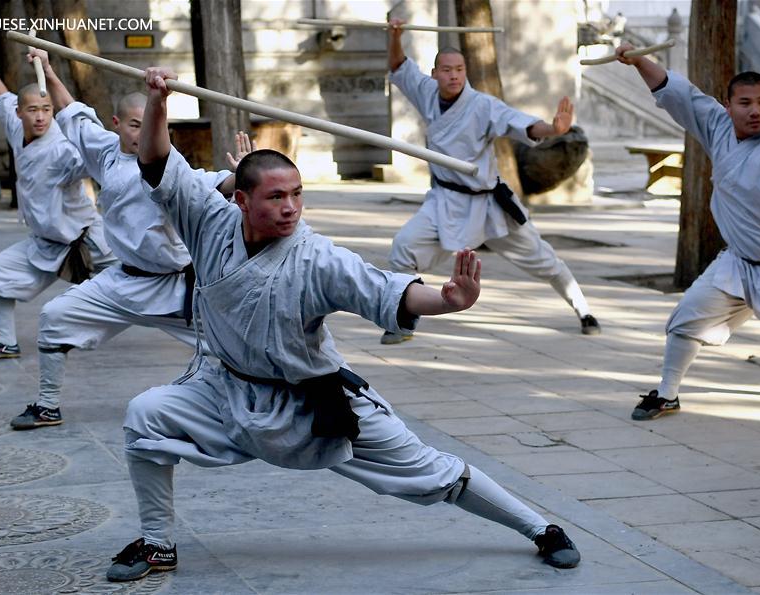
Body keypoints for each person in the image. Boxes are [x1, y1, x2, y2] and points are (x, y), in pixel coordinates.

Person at [104, 66, 581, 583]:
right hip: (225, 391)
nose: (290, 209)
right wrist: (158, 100)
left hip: (315, 400)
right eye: (275, 197)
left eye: (297, 194)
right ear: (240, 199)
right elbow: (155, 159)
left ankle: (541, 529)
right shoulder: (208, 220)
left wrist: (447, 300)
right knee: (146, 415)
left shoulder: (317, 259)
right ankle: (157, 544)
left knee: (430, 472)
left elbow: (387, 291)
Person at [8, 48, 250, 430]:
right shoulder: (103, 150)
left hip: (175, 289)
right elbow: (72, 112)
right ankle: (47, 406)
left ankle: (253, 409)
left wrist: (244, 174)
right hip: (121, 282)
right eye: (135, 125)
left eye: (150, 123)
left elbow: (216, 183)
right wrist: (50, 70)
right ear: (118, 124)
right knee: (55, 317)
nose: (144, 133)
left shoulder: (173, 168)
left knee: (230, 348)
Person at [613, 42, 760, 421]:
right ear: (729, 106)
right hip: (740, 265)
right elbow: (676, 92)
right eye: (745, 102)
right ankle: (668, 393)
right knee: (686, 320)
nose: (755, 110)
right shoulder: (717, 126)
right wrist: (638, 60)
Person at [380, 20, 600, 345]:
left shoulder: (483, 105)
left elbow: (520, 123)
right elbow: (399, 66)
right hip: (445, 202)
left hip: (489, 205)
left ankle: (583, 310)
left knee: (543, 259)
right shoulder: (426, 92)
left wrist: (552, 129)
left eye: (459, 69)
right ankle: (406, 318)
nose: (453, 75)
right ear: (435, 72)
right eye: (446, 69)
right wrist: (395, 36)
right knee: (403, 249)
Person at [0, 42, 115, 361]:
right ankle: (6, 342)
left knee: (151, 284)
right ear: (20, 112)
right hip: (46, 244)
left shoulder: (62, 148)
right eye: (32, 110)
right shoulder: (13, 121)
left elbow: (92, 152)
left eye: (46, 110)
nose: (40, 117)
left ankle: (201, 332)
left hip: (89, 240)